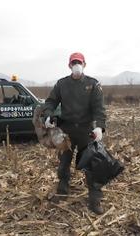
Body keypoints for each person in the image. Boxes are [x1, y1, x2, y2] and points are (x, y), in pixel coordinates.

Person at [43, 52, 106, 214]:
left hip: (86, 130)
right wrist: (48, 115)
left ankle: (94, 199)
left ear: (84, 64)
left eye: (79, 62)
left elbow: (99, 108)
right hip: (66, 130)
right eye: (74, 63)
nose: (76, 65)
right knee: (64, 162)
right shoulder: (61, 84)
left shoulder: (93, 84)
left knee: (90, 164)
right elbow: (50, 102)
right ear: (69, 66)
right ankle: (63, 190)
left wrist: (99, 127)